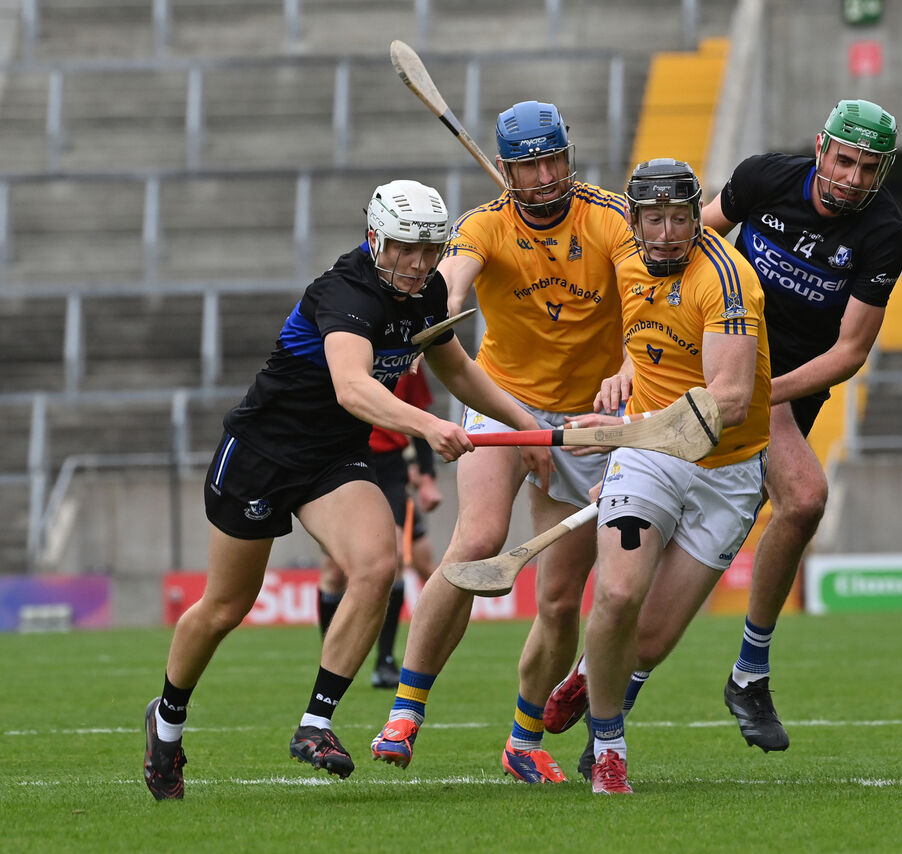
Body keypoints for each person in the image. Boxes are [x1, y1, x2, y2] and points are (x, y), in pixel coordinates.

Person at [141, 179, 551, 800]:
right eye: (405, 249)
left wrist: (528, 428)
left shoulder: (429, 291)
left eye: (430, 249)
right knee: (226, 606)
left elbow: (457, 368)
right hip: (261, 455)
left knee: (376, 565)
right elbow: (352, 388)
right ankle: (167, 721)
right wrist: (431, 426)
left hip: (332, 459)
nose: (418, 264)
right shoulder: (344, 294)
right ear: (375, 239)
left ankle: (316, 725)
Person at [545, 100, 902, 768]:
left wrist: (754, 393)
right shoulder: (767, 177)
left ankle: (743, 672)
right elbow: (678, 245)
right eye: (845, 160)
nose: (853, 179)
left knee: (796, 508)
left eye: (869, 168)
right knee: (801, 497)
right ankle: (712, 687)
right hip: (708, 358)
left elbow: (850, 352)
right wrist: (637, 358)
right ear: (823, 149)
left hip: (777, 387)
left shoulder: (884, 232)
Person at [368, 101, 632, 784]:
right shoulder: (483, 225)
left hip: (585, 423)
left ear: (569, 155)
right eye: (528, 164)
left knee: (556, 600)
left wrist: (630, 366)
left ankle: (523, 739)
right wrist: (434, 321)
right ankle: (405, 712)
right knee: (477, 542)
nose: (544, 177)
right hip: (501, 403)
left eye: (553, 160)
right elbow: (453, 278)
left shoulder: (610, 217)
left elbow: (647, 296)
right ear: (506, 168)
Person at [563, 158, 772, 794]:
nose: (667, 232)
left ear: (694, 215)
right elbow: (638, 320)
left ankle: (591, 670)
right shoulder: (622, 257)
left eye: (679, 217)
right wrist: (625, 370)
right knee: (619, 596)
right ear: (635, 219)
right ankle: (608, 746)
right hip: (650, 455)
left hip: (727, 471)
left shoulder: (728, 281)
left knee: (647, 643)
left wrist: (625, 430)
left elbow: (730, 400)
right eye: (653, 217)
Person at [316, 364, 443, 690]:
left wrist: (427, 477)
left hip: (389, 466)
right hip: (341, 459)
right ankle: (330, 656)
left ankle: (384, 660)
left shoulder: (408, 358)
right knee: (334, 571)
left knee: (397, 559)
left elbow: (421, 415)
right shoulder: (340, 348)